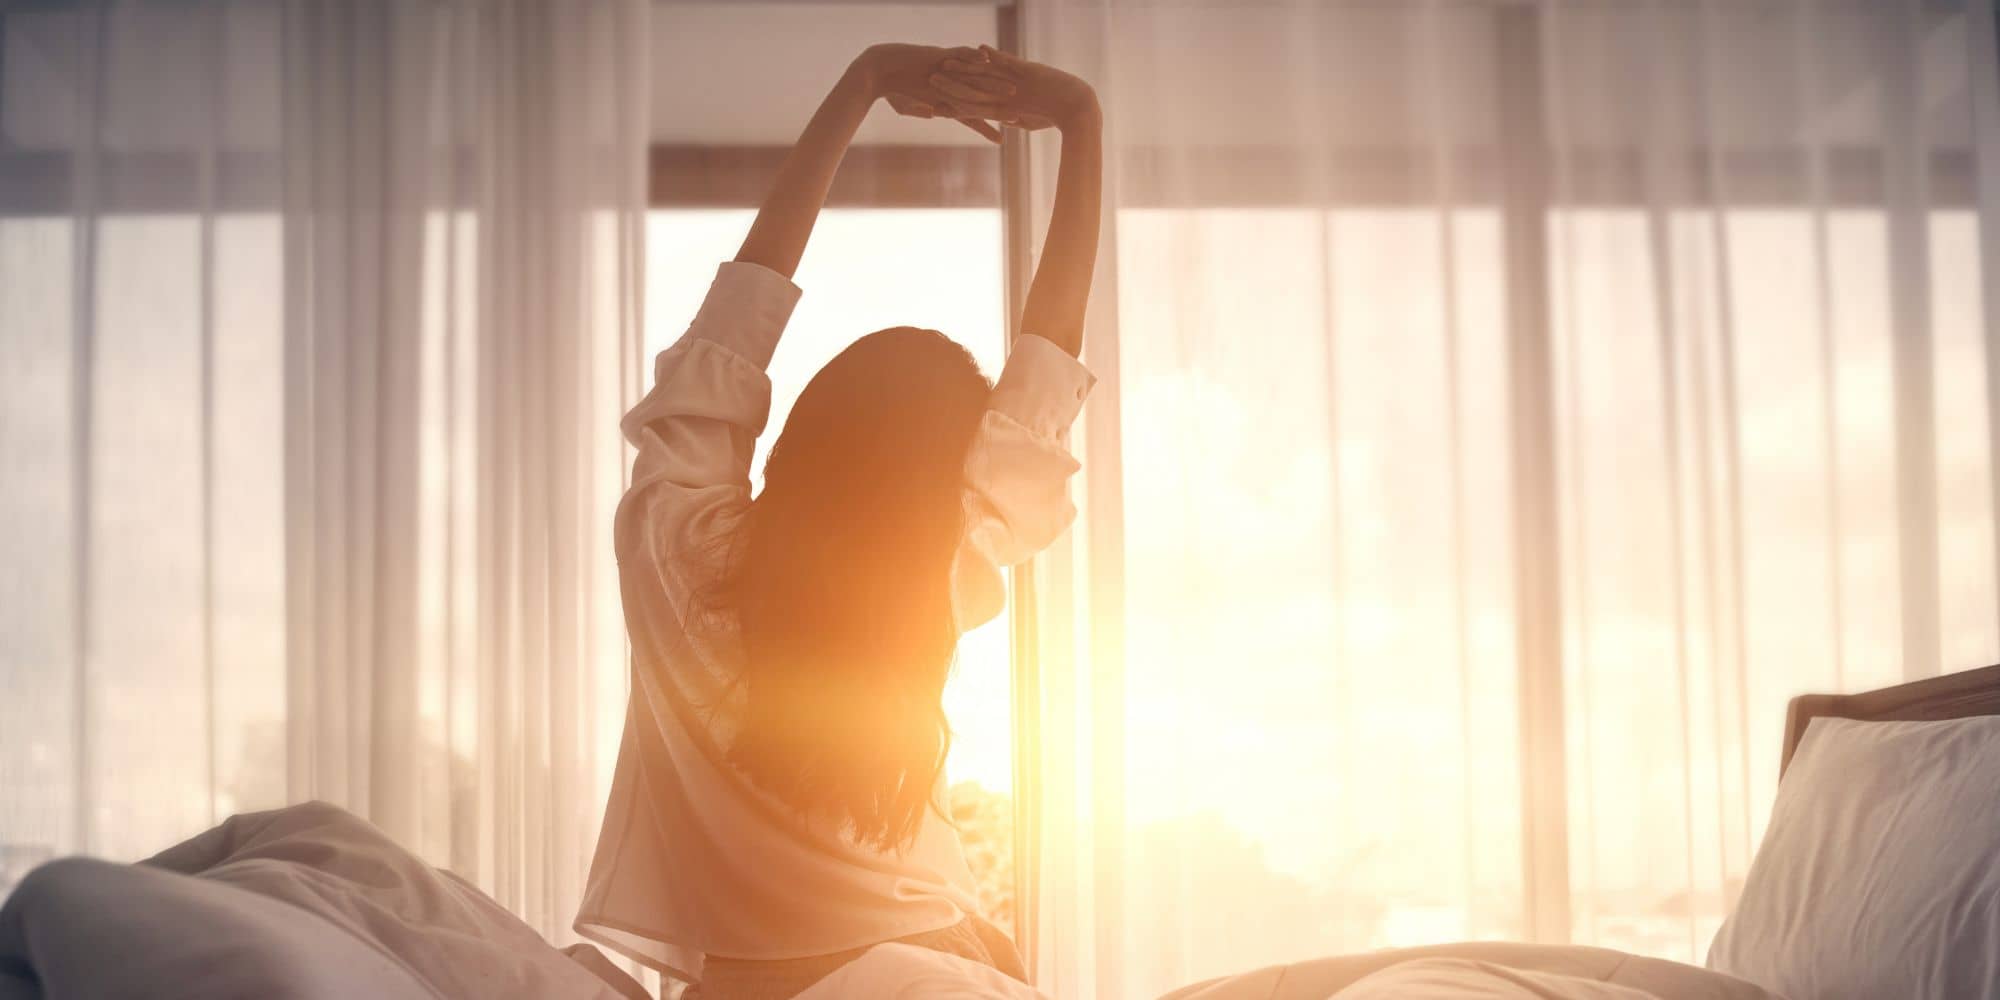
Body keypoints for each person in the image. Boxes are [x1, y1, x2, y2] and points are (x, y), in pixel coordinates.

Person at [575, 41, 1103, 1000]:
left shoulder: (673, 546)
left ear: (804, 432)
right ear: (941, 481)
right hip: (941, 965)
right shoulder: (936, 578)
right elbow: (1044, 371)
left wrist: (862, 85)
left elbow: (736, 318)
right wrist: (1079, 120)